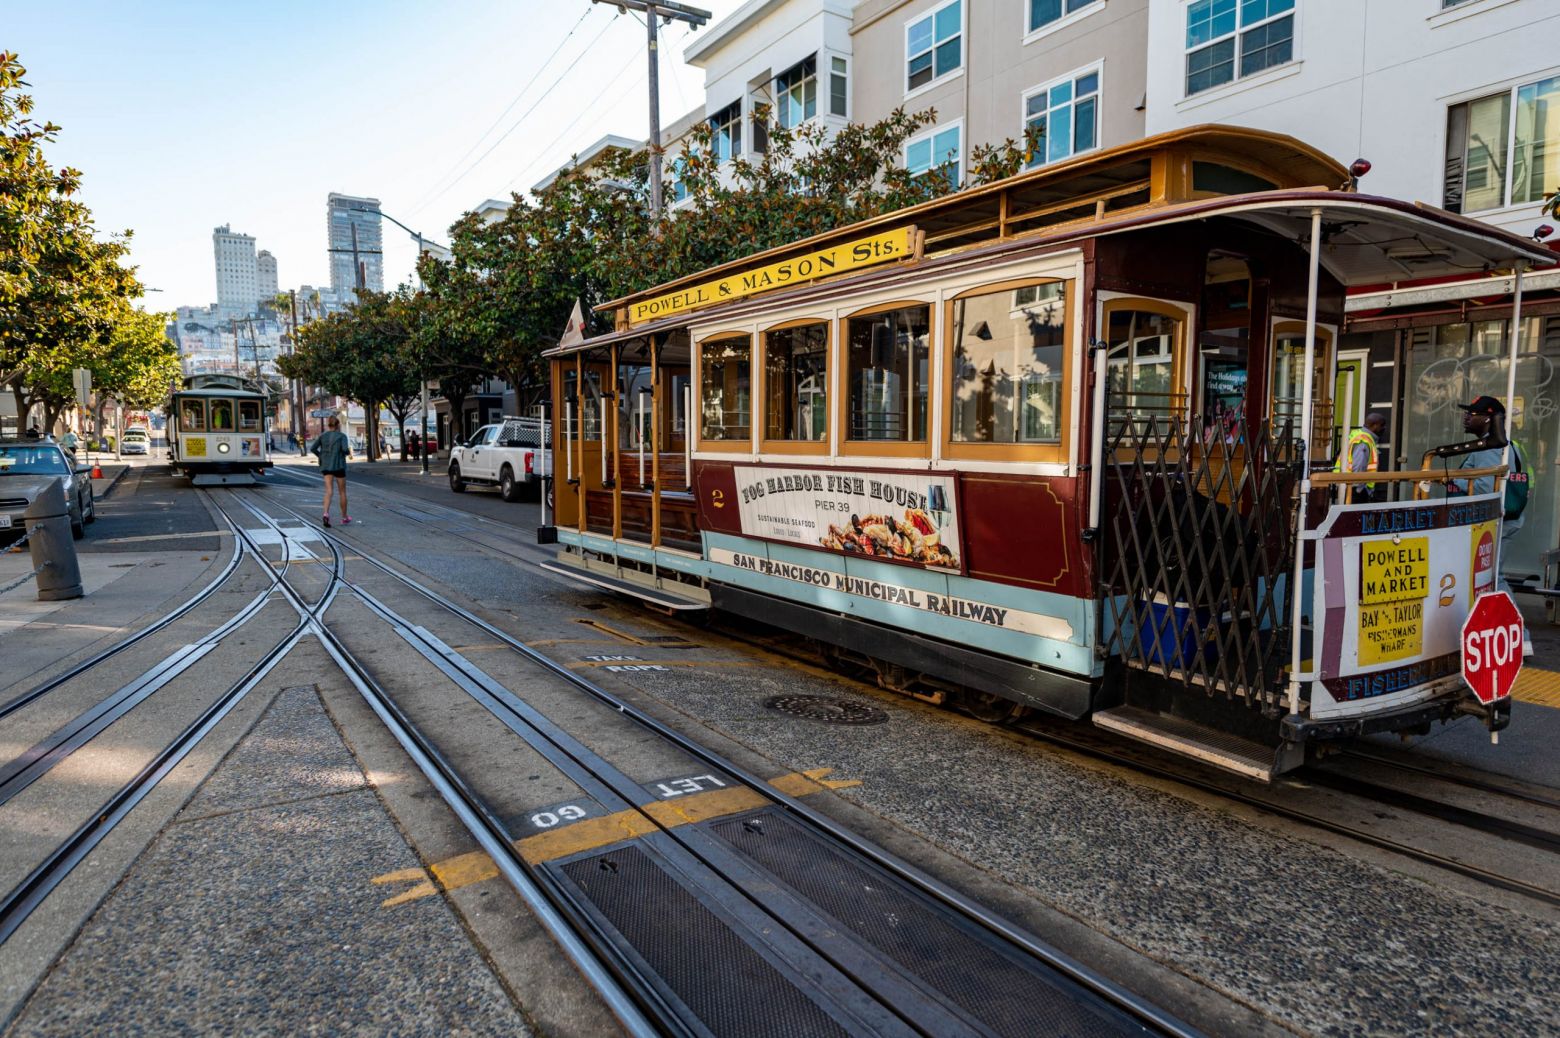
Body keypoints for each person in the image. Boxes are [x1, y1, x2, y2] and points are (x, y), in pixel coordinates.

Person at [1449, 395, 1533, 656]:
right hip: (1507, 519)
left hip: (1494, 522)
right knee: (1490, 577)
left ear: (1488, 419)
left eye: (1472, 414)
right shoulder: (1510, 445)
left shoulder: (1488, 448)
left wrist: (1451, 480)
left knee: (1493, 578)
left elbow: (1486, 489)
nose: (1466, 417)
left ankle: (1519, 636)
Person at [1333, 411, 1387, 503]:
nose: (1384, 428)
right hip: (1356, 489)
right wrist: (1359, 489)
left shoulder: (1358, 434)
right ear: (1375, 425)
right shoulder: (1363, 441)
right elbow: (1359, 466)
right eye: (1382, 425)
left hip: (1348, 486)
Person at [310, 416, 352, 527]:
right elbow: (344, 449)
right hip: (339, 466)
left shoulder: (323, 436)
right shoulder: (342, 436)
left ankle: (326, 514)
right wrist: (348, 452)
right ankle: (344, 517)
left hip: (326, 466)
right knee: (342, 492)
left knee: (328, 491)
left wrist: (321, 456)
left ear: (329, 425)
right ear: (338, 425)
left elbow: (313, 448)